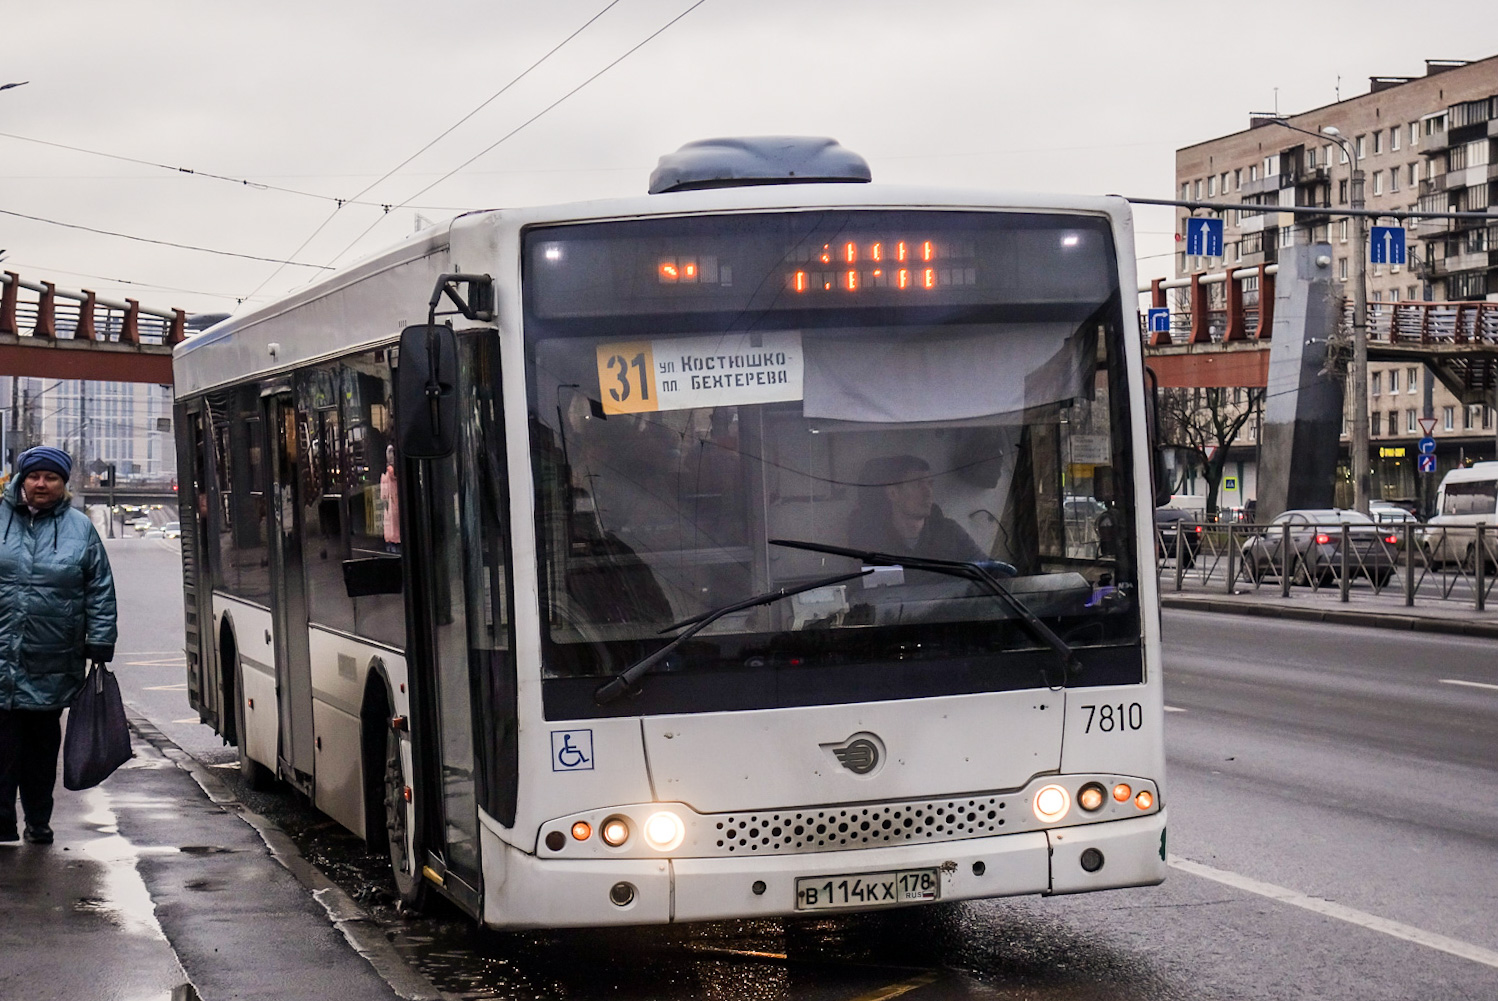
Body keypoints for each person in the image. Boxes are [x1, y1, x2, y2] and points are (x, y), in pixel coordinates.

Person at [0, 445, 118, 845]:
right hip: (1, 655)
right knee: (1, 747)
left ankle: (37, 819)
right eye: (34, 476)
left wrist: (101, 641)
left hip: (51, 658)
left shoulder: (79, 528)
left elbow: (99, 588)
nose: (41, 484)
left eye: (51, 478)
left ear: (63, 484)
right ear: (21, 479)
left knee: (39, 749)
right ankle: (1, 821)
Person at [848, 454, 987, 563]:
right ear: (893, 493)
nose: (928, 492)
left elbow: (991, 570)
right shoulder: (870, 538)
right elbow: (861, 589)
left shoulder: (950, 533)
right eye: (918, 484)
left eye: (930, 484)